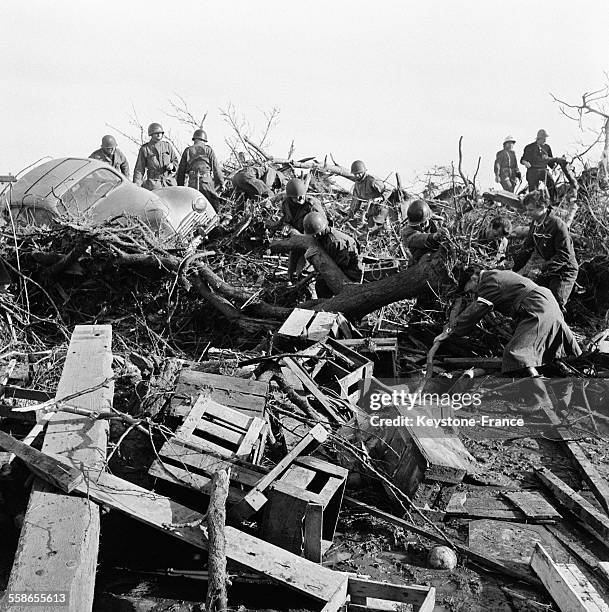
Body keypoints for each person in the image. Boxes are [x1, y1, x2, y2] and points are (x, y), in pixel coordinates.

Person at [434, 267, 581, 376]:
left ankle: (542, 401)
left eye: (470, 290)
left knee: (516, 354)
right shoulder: (496, 275)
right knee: (550, 354)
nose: (472, 294)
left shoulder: (489, 282)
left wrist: (449, 330)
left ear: (473, 278)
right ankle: (562, 390)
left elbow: (474, 311)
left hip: (537, 306)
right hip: (546, 302)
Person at [513, 191, 578, 311]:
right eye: (527, 210)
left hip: (564, 270)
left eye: (531, 210)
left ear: (542, 207)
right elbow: (527, 249)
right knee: (536, 297)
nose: (528, 213)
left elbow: (564, 255)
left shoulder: (557, 225)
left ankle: (558, 327)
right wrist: (513, 269)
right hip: (549, 268)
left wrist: (541, 269)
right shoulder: (535, 223)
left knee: (554, 303)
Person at [303, 211, 363, 298]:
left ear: (319, 232)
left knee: (322, 286)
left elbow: (339, 265)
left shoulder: (335, 242)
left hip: (351, 271)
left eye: (315, 234)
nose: (314, 237)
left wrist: (320, 267)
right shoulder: (324, 236)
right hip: (341, 265)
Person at [278, 178, 327, 281]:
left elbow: (323, 225)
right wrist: (287, 227)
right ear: (290, 197)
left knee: (303, 272)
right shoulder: (286, 204)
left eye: (301, 196)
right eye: (296, 197)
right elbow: (286, 220)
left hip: (310, 242)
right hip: (296, 239)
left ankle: (307, 291)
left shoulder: (312, 205)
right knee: (291, 272)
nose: (300, 199)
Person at [177, 129, 225, 210]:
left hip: (192, 183)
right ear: (204, 140)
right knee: (213, 205)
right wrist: (221, 183)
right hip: (206, 182)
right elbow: (216, 168)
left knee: (192, 206)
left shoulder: (187, 150)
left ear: (194, 139)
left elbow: (181, 172)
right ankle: (216, 220)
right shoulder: (208, 150)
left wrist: (181, 188)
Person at [401, 199, 449, 265]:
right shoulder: (406, 233)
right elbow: (419, 239)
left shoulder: (433, 221)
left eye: (422, 223)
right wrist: (434, 236)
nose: (421, 226)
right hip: (419, 262)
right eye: (417, 224)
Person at [133, 123, 179, 190]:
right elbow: (139, 169)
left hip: (169, 183)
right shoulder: (145, 149)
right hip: (153, 184)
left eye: (160, 133)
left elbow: (175, 161)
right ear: (151, 134)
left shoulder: (167, 146)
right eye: (156, 133)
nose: (158, 135)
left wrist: (172, 166)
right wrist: (136, 187)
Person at [347, 160, 389, 230]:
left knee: (381, 230)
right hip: (370, 212)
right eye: (355, 174)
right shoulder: (357, 185)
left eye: (359, 173)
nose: (357, 175)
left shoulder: (372, 180)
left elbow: (388, 190)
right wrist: (349, 216)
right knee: (370, 232)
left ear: (364, 171)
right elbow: (355, 202)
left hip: (381, 210)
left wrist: (380, 198)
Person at [521, 129, 561, 200]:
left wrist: (554, 168)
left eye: (545, 139)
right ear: (538, 138)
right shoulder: (529, 147)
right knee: (533, 191)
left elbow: (550, 160)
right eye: (543, 139)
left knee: (551, 182)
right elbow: (523, 159)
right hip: (533, 171)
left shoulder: (547, 147)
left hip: (543, 170)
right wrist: (525, 163)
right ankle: (533, 204)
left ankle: (554, 201)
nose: (545, 140)